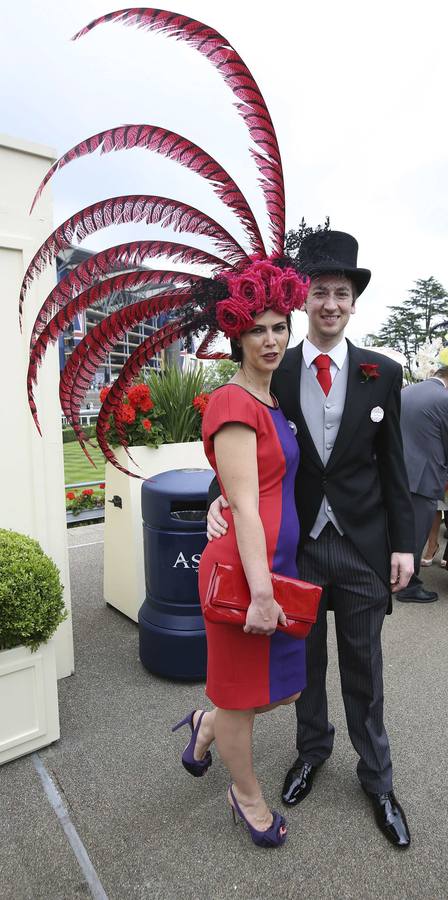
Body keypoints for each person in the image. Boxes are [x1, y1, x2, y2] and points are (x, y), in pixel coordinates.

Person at [207, 230, 415, 849]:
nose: (330, 302)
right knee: (306, 666)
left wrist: (404, 544)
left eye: (341, 292)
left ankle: (377, 778)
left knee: (365, 668)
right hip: (297, 551)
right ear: (305, 302)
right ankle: (311, 752)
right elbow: (247, 452)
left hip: (361, 548)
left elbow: (393, 466)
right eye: (320, 291)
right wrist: (218, 498)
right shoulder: (277, 365)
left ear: (354, 302)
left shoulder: (385, 372)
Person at [172, 258, 309, 849]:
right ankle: (246, 797)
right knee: (241, 698)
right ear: (237, 334)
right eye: (258, 328)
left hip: (278, 569)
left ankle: (206, 725)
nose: (271, 339)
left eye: (279, 325)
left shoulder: (271, 401)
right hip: (244, 574)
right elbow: (246, 507)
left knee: (286, 689)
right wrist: (259, 593)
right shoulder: (233, 403)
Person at [397, 363, 448, 602]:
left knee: (396, 530)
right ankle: (408, 585)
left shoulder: (407, 391)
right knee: (416, 533)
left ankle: (392, 576)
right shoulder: (443, 398)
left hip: (396, 472)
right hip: (424, 475)